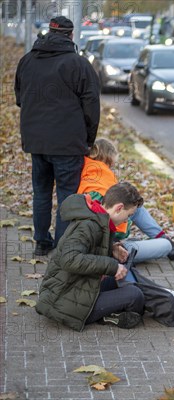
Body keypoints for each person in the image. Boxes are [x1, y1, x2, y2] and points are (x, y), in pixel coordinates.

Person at [14, 16, 100, 256]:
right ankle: (63, 248)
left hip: (36, 142)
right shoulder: (79, 65)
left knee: (41, 192)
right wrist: (88, 139)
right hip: (68, 144)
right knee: (67, 195)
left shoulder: (27, 60)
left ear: (48, 33)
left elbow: (20, 98)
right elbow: (92, 106)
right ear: (71, 36)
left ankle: (41, 242)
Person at [35, 182, 145, 331]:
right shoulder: (87, 225)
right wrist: (112, 266)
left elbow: (90, 250)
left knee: (119, 280)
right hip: (63, 302)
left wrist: (112, 248)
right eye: (129, 215)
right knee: (135, 295)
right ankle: (105, 315)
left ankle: (109, 313)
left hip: (75, 288)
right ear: (119, 208)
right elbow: (70, 259)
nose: (127, 220)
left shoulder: (99, 219)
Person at [77, 138, 174, 262]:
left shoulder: (87, 171)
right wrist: (126, 224)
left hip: (97, 243)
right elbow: (112, 221)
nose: (112, 169)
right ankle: (168, 244)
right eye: (112, 165)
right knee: (163, 245)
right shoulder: (105, 179)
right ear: (107, 160)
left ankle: (166, 242)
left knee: (136, 208)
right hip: (109, 249)